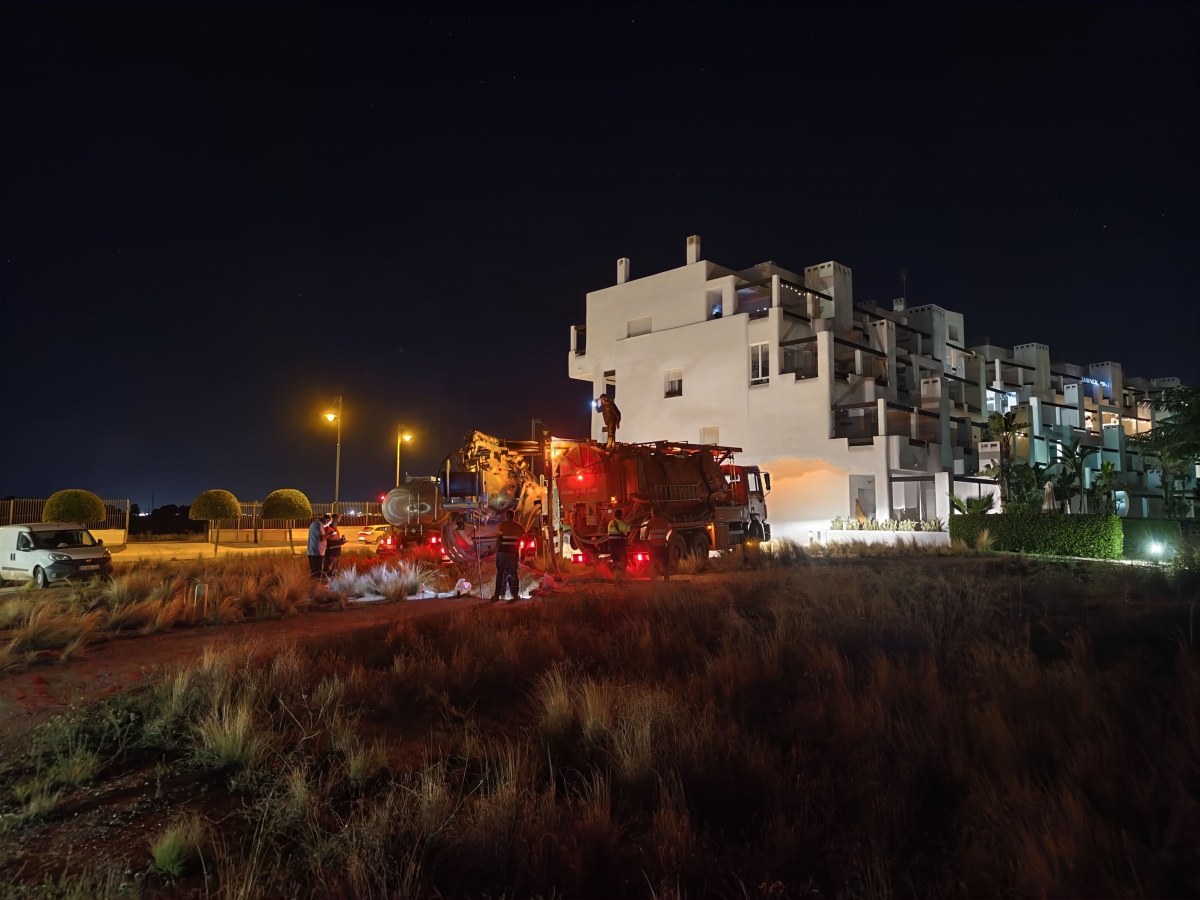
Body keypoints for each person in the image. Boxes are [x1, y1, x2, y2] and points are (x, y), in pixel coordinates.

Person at [491, 509, 524, 603]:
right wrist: (523, 553)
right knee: (514, 574)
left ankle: (497, 595)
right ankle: (515, 595)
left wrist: (496, 551)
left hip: (502, 553)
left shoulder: (502, 525)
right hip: (513, 553)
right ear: (514, 516)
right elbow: (525, 539)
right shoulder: (519, 526)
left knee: (500, 574)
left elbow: (498, 539)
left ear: (506, 516)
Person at [644, 506, 672, 582]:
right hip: (663, 546)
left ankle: (654, 581)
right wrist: (668, 541)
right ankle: (666, 580)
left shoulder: (650, 522)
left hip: (653, 547)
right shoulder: (666, 522)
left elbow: (646, 533)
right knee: (665, 564)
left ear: (653, 513)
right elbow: (671, 532)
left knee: (653, 564)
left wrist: (647, 543)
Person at [607, 507, 631, 582]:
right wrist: (641, 526)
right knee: (623, 561)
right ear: (621, 515)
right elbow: (631, 528)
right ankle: (619, 577)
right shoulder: (621, 523)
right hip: (619, 546)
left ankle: (617, 577)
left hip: (612, 545)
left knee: (616, 561)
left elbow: (609, 535)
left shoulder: (610, 523)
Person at [307, 513, 331, 580]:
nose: (328, 524)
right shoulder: (318, 525)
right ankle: (316, 587)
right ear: (326, 520)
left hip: (314, 552)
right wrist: (329, 534)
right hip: (316, 552)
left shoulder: (316, 524)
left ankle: (314, 586)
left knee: (315, 571)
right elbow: (321, 538)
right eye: (328, 522)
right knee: (317, 572)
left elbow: (319, 536)